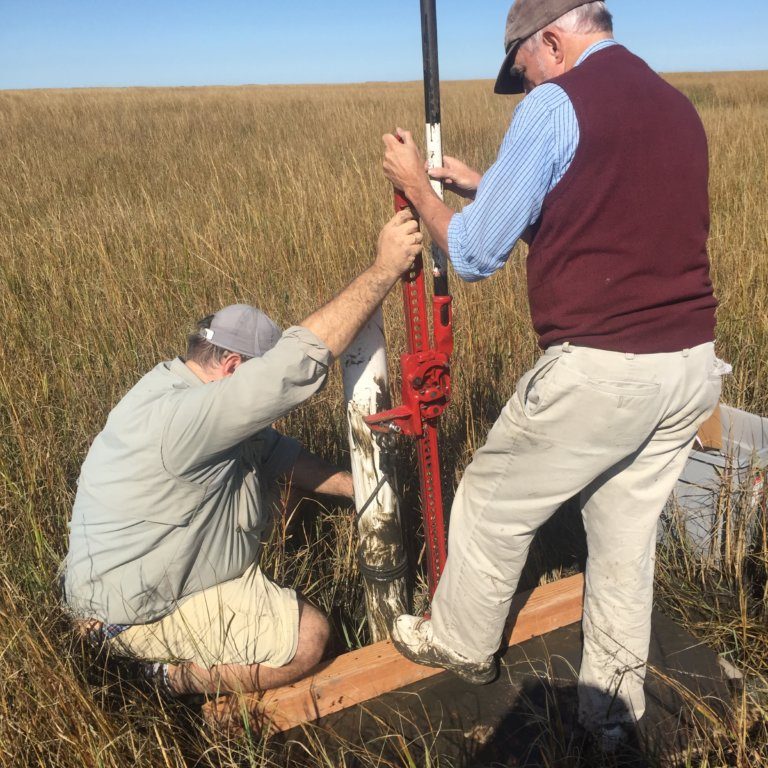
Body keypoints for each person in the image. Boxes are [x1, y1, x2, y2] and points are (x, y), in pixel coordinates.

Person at [382, 0, 724, 747]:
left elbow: (471, 255)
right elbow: (602, 213)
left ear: (553, 40)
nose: (527, 82)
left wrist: (416, 187)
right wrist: (489, 184)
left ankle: (462, 643)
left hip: (604, 368)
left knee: (494, 499)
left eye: (526, 66)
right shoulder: (673, 105)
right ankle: (611, 716)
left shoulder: (555, 104)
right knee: (624, 539)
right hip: (691, 367)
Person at [62, 209, 423, 697]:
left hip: (135, 584)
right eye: (255, 370)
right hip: (133, 612)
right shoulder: (186, 416)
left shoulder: (181, 391)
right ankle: (155, 677)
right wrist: (383, 269)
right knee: (308, 639)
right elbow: (294, 368)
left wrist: (365, 489)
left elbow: (278, 456)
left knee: (286, 489)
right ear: (232, 366)